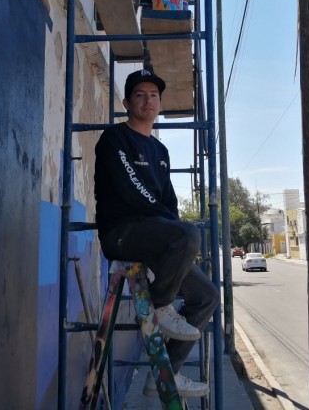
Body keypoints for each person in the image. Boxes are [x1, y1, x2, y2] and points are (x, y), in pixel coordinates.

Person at [94, 68, 219, 398]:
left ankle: (167, 374)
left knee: (207, 295)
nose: (148, 100)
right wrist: (173, 229)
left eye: (153, 96)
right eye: (139, 95)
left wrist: (171, 230)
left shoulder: (160, 152)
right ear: (126, 102)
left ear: (160, 104)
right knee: (187, 235)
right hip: (121, 234)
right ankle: (162, 306)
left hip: (154, 236)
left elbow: (168, 202)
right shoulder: (115, 139)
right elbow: (132, 190)